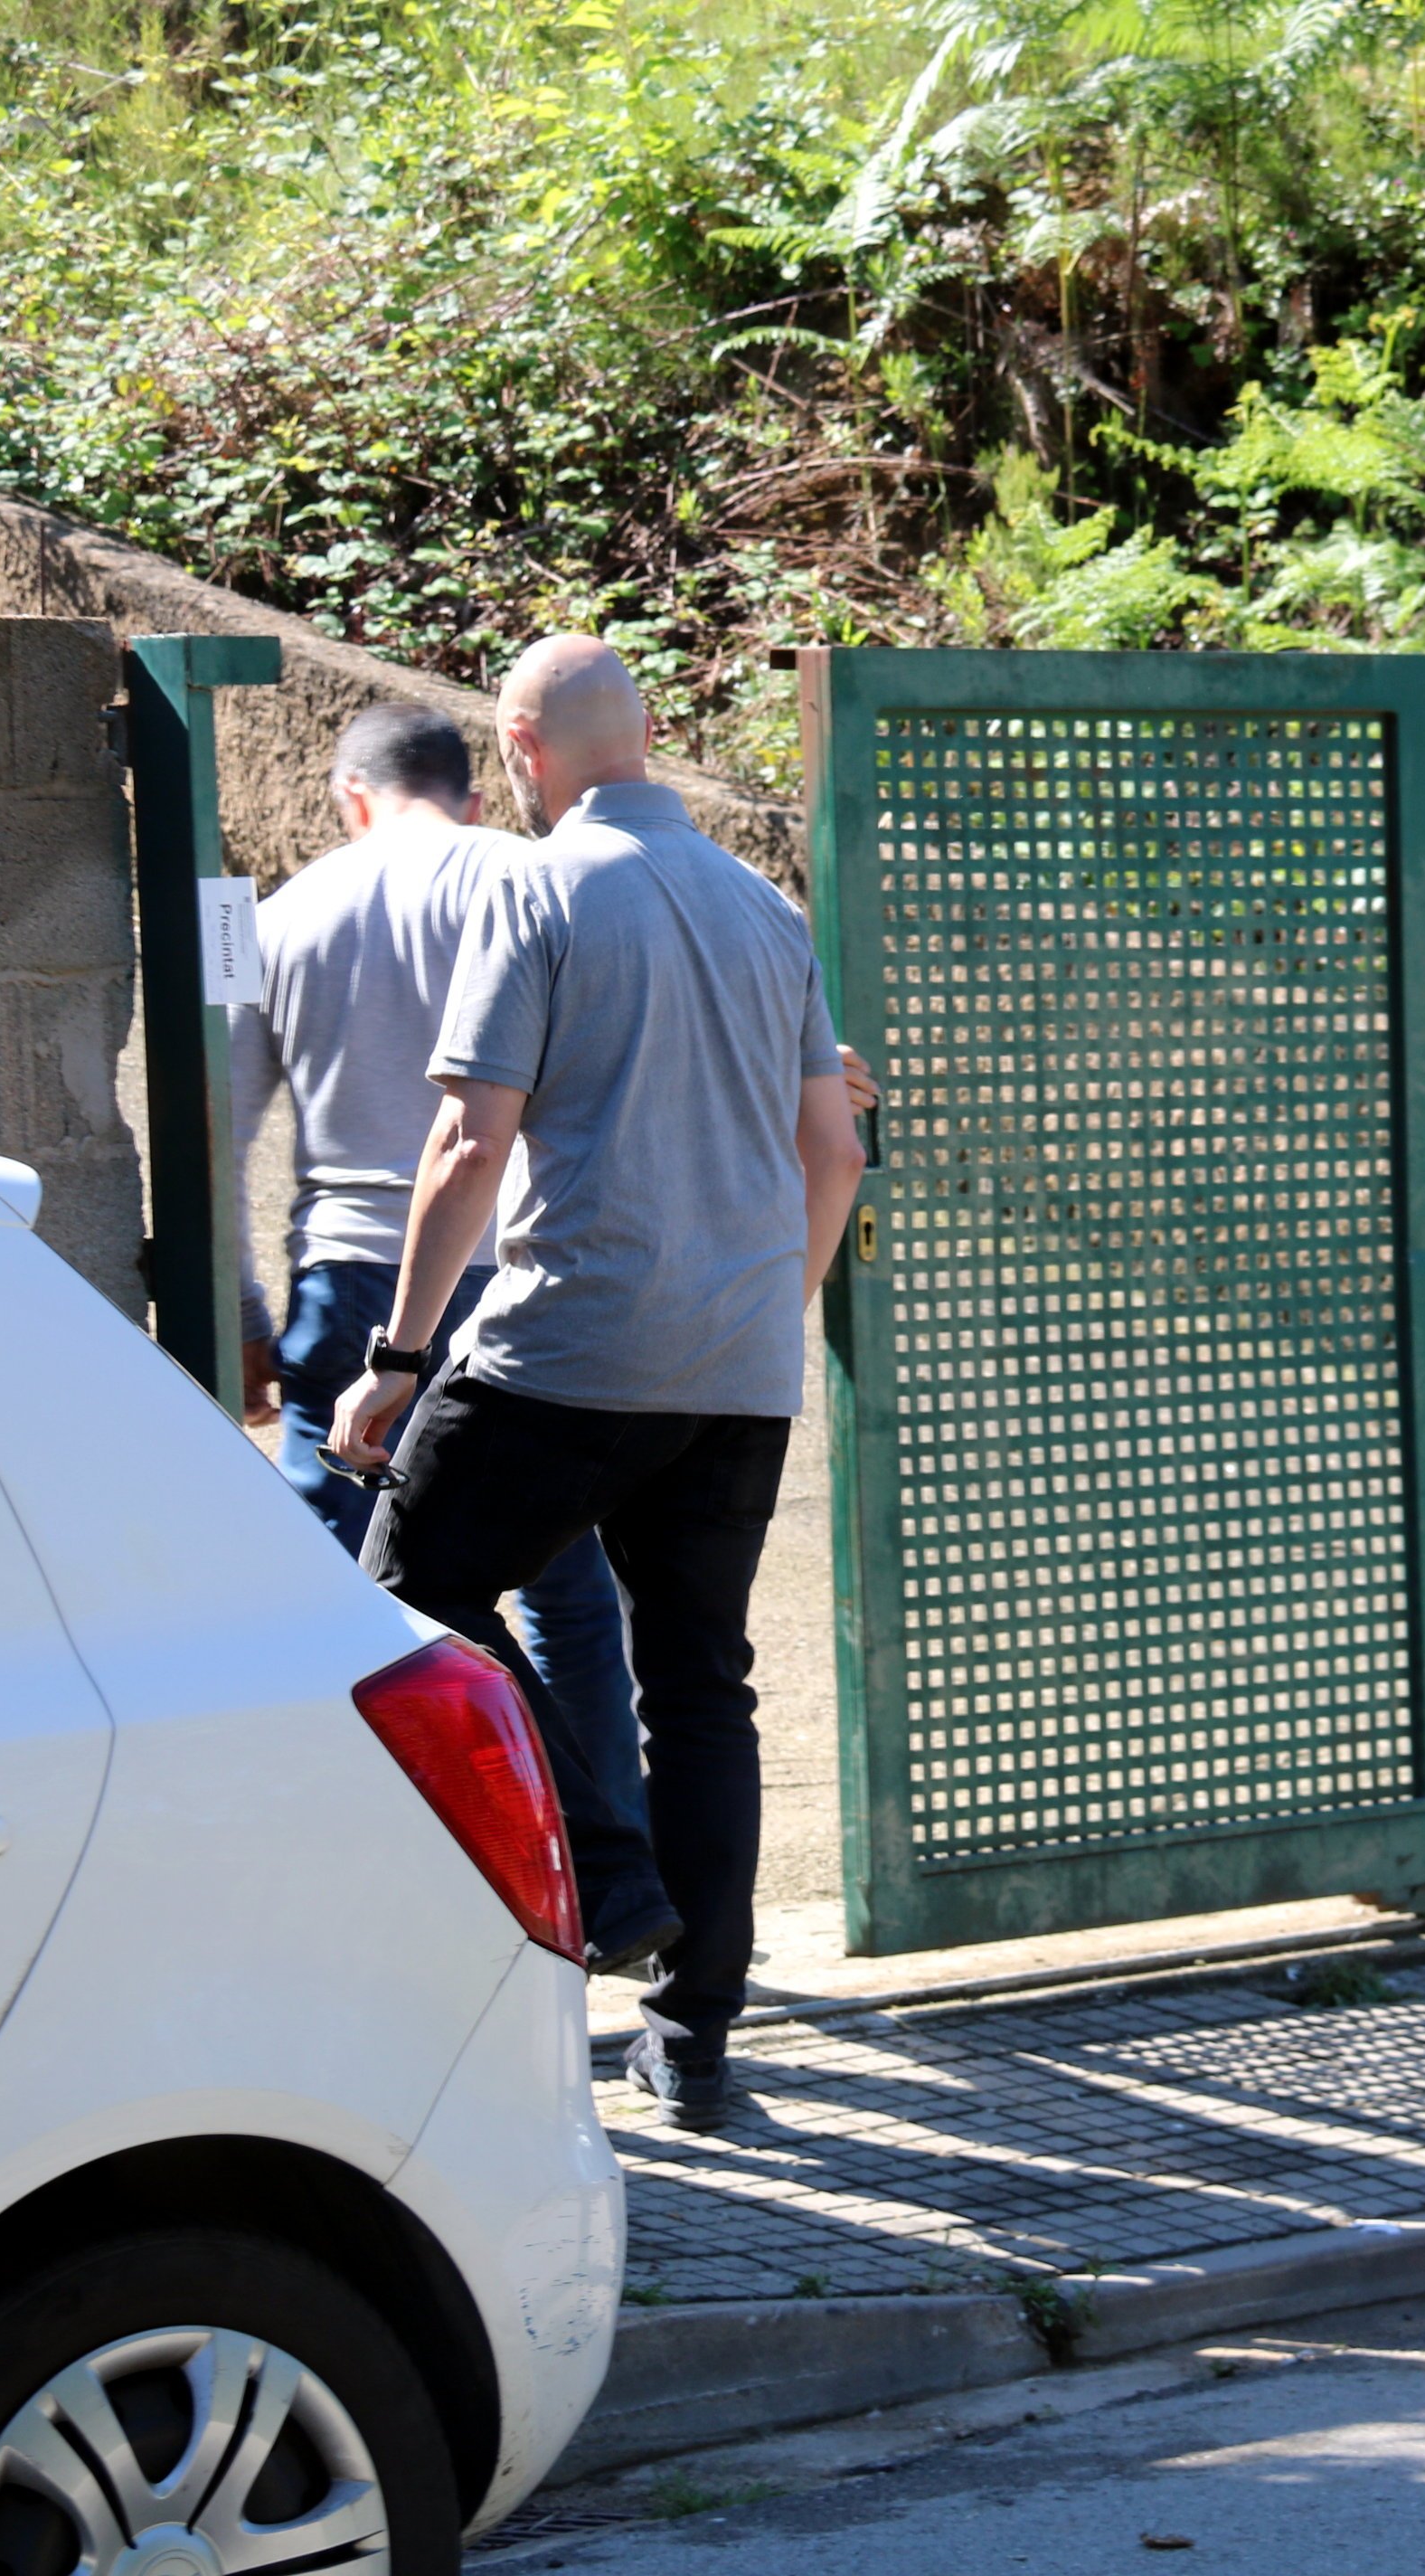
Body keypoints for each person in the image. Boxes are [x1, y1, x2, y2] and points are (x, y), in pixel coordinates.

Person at [329, 635, 866, 2134]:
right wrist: (772, 1301)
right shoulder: (769, 909)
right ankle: (695, 2040)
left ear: (522, 743)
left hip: (571, 1343)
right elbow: (834, 1151)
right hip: (736, 1366)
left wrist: (397, 1357)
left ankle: (610, 1869)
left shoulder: (536, 887)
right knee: (703, 1682)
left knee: (403, 1591)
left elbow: (467, 1147)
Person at [231, 703, 642, 1833]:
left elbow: (215, 1133)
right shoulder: (532, 878)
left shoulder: (287, 913)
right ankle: (609, 1860)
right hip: (520, 1274)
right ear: (469, 792)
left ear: (348, 796)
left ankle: (367, 1845)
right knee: (566, 1595)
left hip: (353, 1286)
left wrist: (245, 1313)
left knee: (344, 1598)